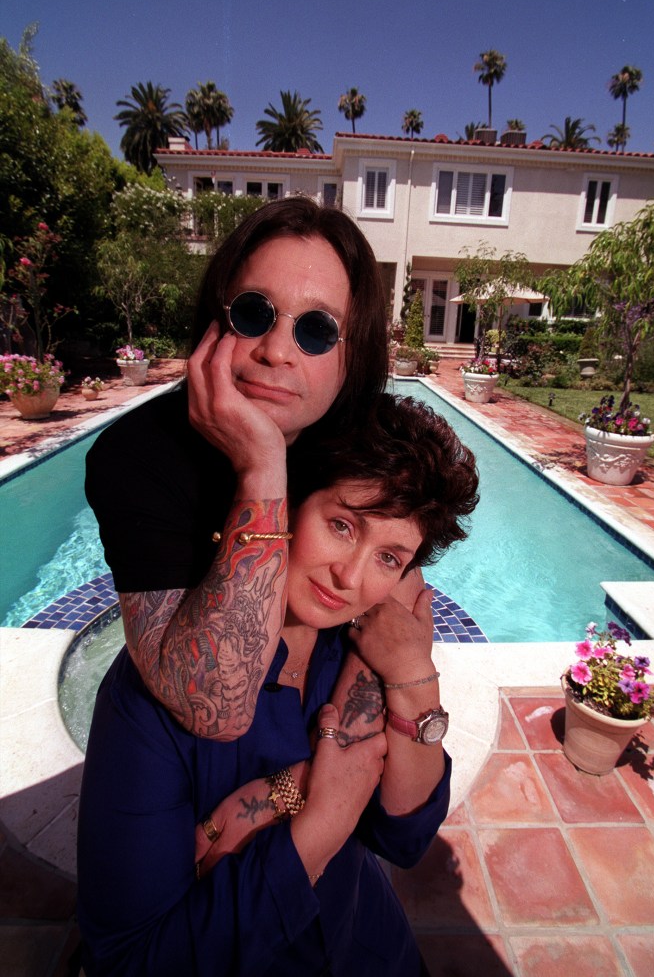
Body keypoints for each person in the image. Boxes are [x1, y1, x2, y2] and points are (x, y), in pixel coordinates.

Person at [77, 394, 479, 977]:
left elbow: (406, 834)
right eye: (342, 525)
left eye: (389, 558)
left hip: (369, 946)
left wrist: (412, 670)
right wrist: (318, 824)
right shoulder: (163, 693)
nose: (351, 577)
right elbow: (131, 960)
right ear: (286, 505)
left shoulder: (353, 655)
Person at [85, 196, 389, 741]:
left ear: (354, 357)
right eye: (254, 312)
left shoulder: (368, 445)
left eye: (316, 330)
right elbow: (215, 710)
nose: (276, 351)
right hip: (167, 739)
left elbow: (401, 601)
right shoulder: (137, 455)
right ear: (215, 321)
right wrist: (262, 467)